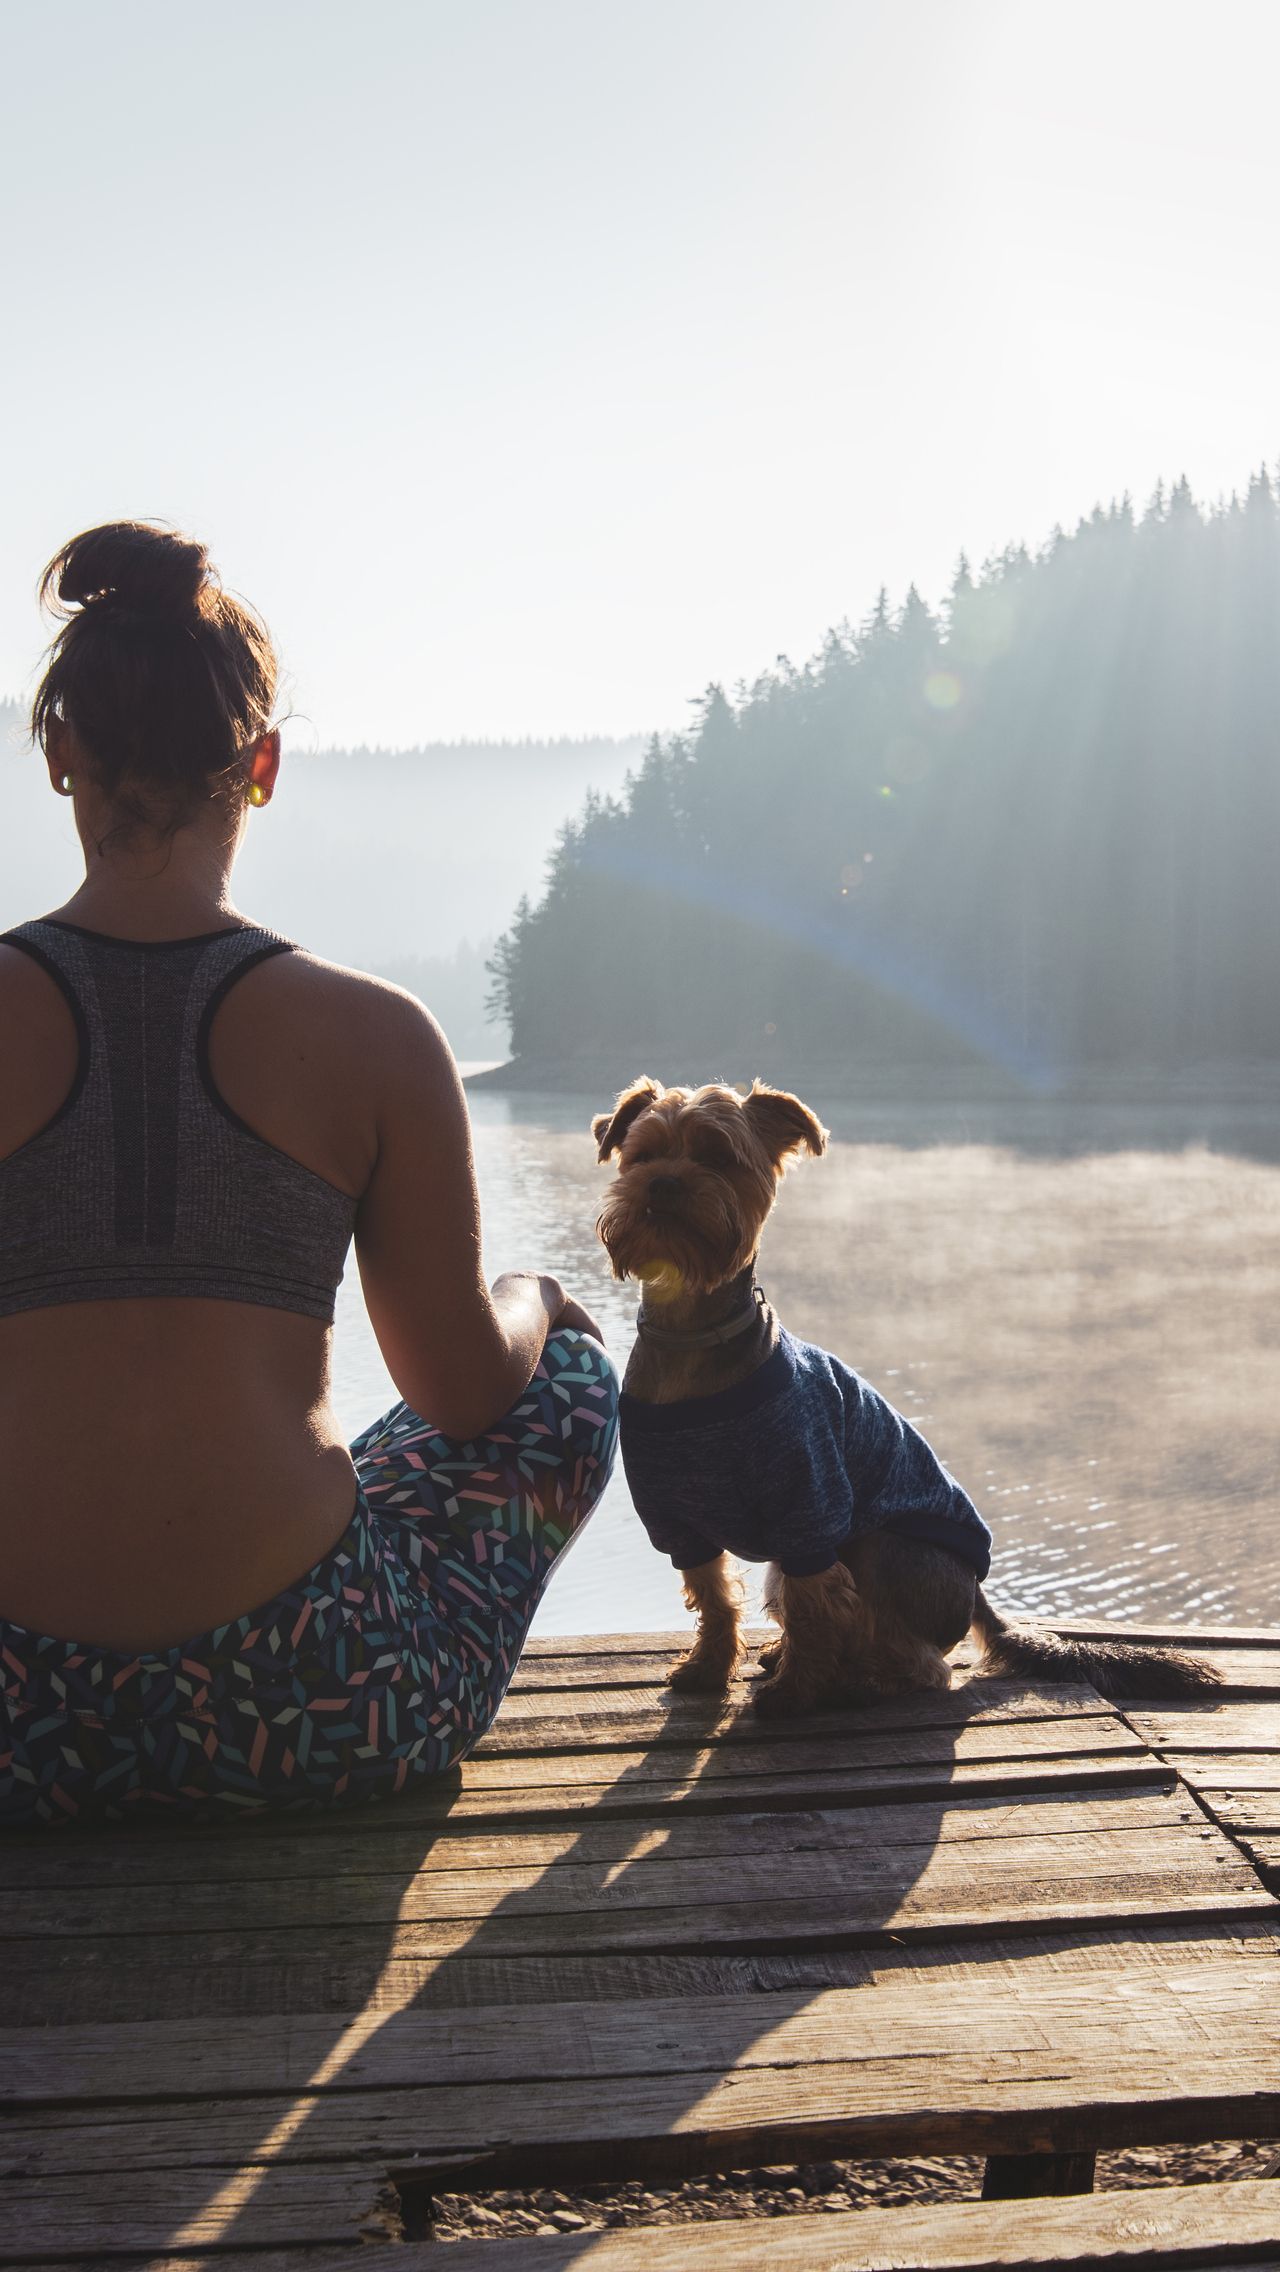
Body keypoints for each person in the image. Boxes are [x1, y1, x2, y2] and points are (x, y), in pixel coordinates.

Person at [0, 522, 618, 1825]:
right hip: (318, 1706)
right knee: (564, 1375)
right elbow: (456, 1391)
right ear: (263, 766)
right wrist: (534, 1298)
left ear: (60, 754)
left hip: (21, 1725)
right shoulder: (376, 1036)